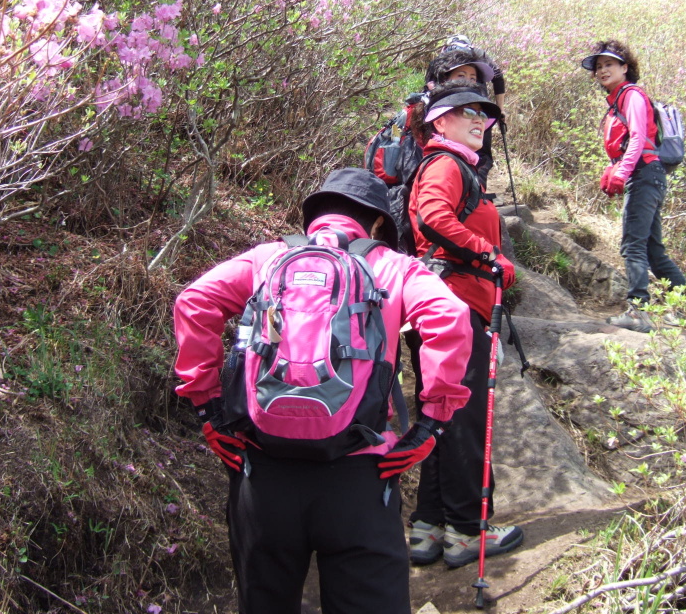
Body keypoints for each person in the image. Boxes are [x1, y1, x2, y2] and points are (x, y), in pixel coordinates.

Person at [173, 168, 474, 614]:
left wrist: (207, 409)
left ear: (313, 217)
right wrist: (432, 423)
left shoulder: (268, 260)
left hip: (262, 476)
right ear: (375, 224)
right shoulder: (393, 267)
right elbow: (450, 318)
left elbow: (193, 301)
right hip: (360, 479)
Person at [404, 78, 524, 568]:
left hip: (441, 307)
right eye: (467, 112)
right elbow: (432, 216)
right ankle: (469, 531)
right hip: (457, 306)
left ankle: (429, 527)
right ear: (439, 121)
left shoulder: (449, 165)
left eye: (485, 114)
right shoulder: (447, 165)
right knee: (468, 420)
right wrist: (491, 255)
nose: (481, 120)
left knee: (442, 416)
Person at [581, 39, 686, 332]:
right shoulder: (617, 100)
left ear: (625, 68)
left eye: (609, 65)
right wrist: (614, 168)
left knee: (632, 246)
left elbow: (639, 138)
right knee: (653, 250)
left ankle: (639, 312)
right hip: (645, 176)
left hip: (644, 175)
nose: (602, 71)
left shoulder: (632, 96)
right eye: (599, 67)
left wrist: (622, 171)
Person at [424, 35, 506, 187]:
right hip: (478, 103)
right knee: (482, 156)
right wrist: (499, 110)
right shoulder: (480, 55)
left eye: (472, 78)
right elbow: (498, 76)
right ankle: (477, 191)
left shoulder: (439, 60)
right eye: (461, 76)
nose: (467, 82)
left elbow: (427, 86)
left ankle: (473, 194)